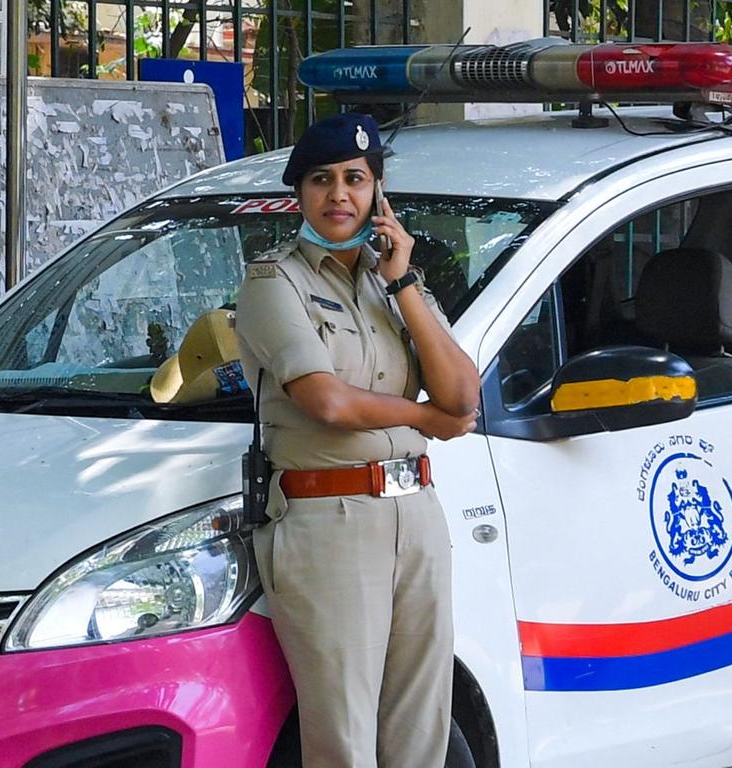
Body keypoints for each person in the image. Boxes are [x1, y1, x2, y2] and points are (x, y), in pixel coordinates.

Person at [234, 112, 480, 768]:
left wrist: (402, 280)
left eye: (356, 179)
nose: (339, 194)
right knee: (345, 740)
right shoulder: (273, 283)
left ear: (378, 195)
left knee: (421, 731)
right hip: (327, 522)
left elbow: (463, 395)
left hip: (415, 516)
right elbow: (327, 399)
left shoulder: (393, 283)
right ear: (300, 195)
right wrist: (424, 421)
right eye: (322, 180)